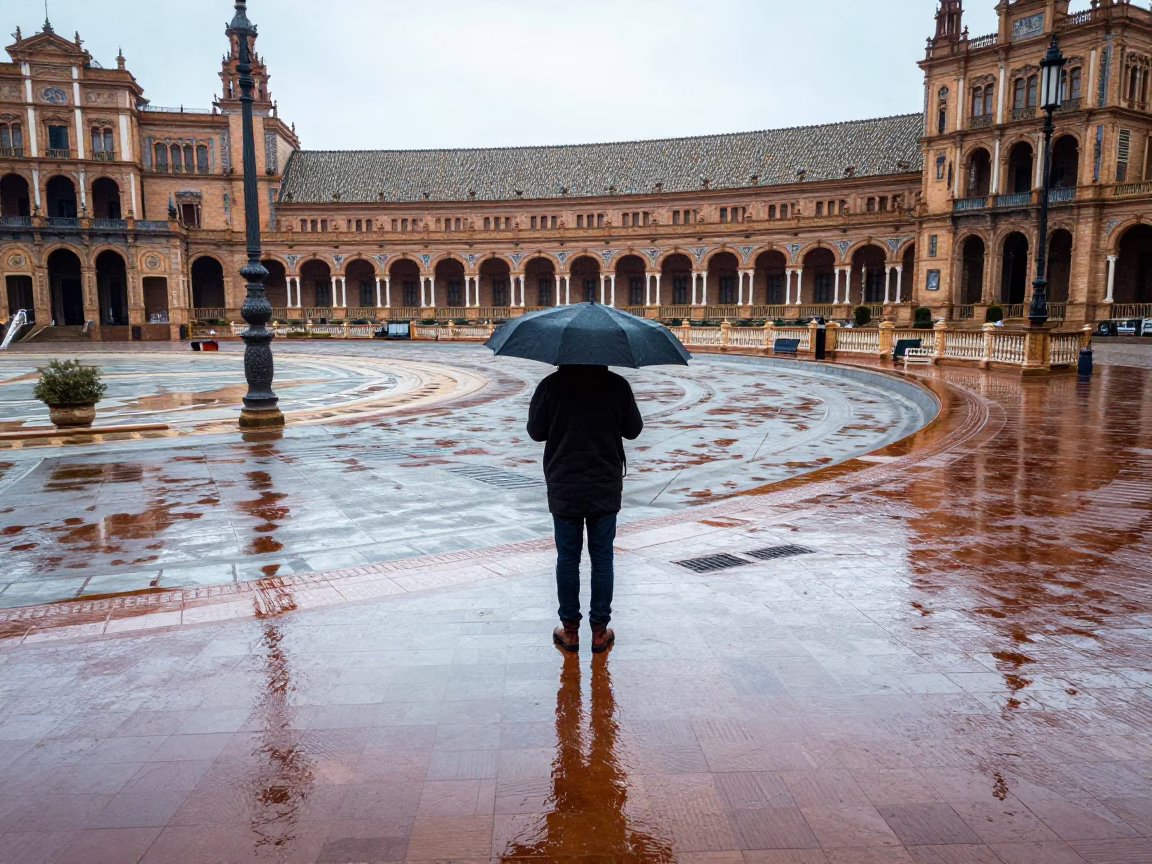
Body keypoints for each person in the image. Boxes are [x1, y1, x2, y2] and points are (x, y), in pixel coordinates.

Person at [527, 364, 643, 653]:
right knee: (602, 559)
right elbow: (634, 430)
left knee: (568, 559)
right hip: (604, 483)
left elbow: (536, 432)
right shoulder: (616, 385)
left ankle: (570, 631)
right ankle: (600, 632)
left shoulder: (551, 385)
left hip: (565, 483)